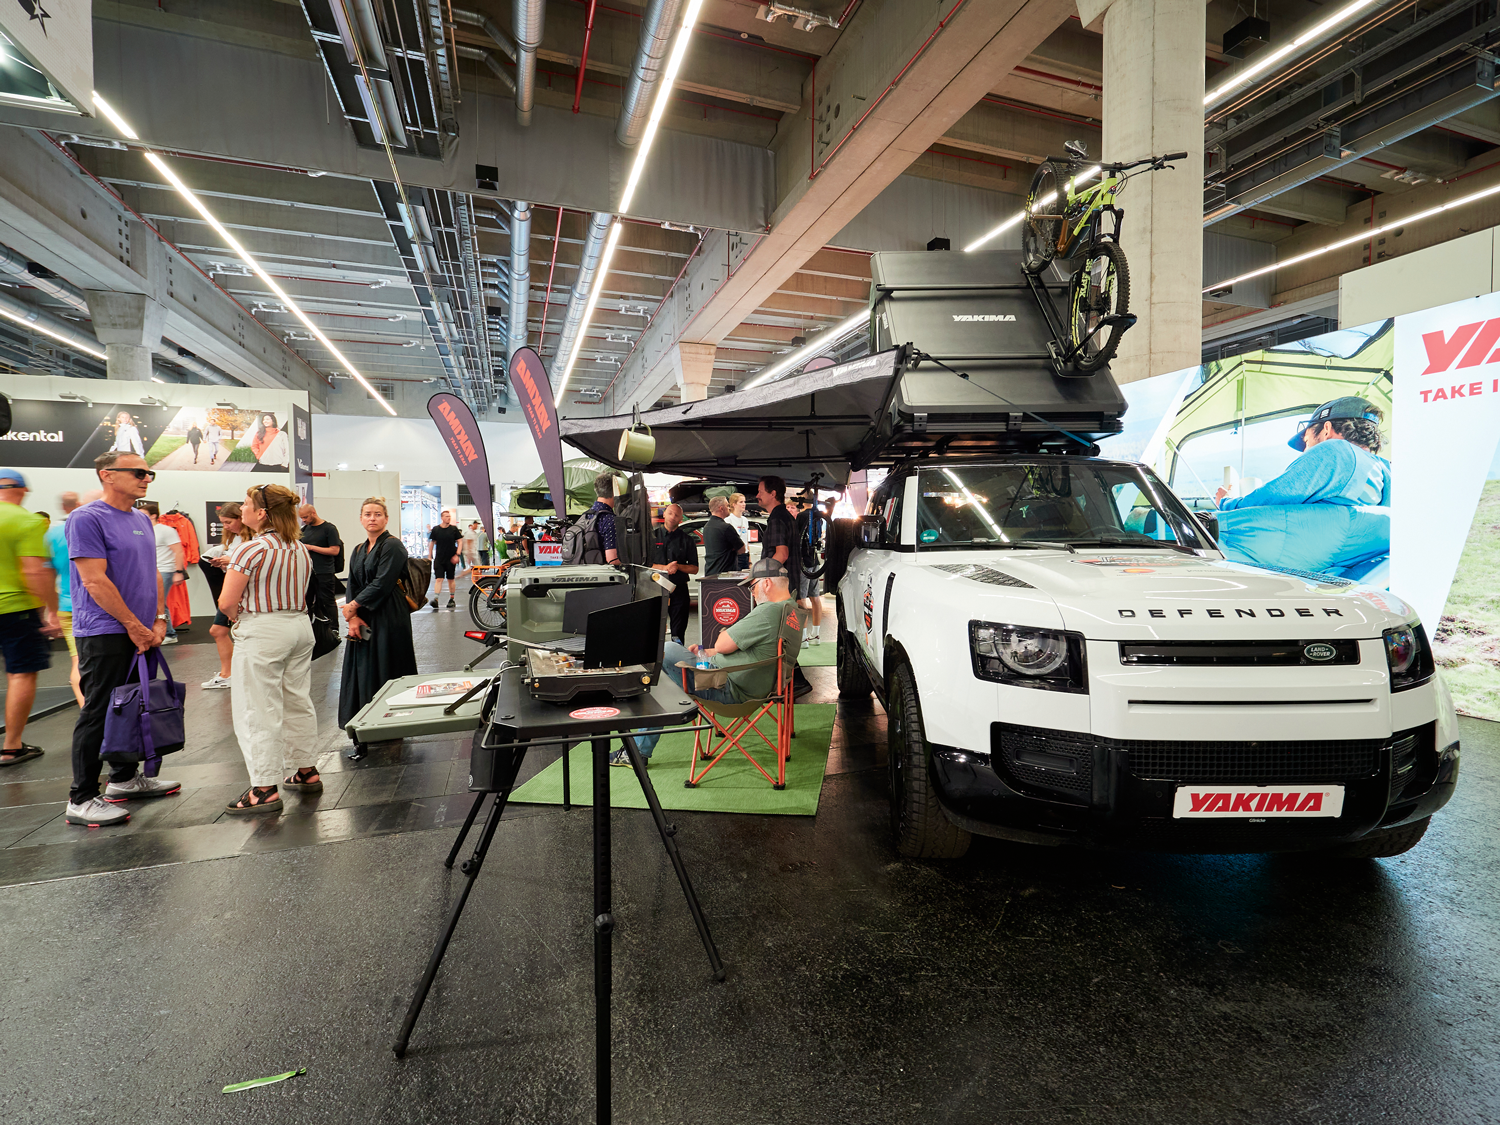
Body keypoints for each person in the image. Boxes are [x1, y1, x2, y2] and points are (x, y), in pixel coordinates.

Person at [63, 451, 179, 826]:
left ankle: (124, 779)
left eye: (149, 473)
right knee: (99, 710)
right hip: (105, 631)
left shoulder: (142, 519)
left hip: (141, 630)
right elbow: (94, 580)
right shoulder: (86, 518)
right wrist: (132, 624)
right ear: (107, 475)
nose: (146, 478)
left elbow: (156, 574)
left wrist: (158, 619)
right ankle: (81, 797)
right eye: (139, 472)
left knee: (130, 705)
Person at [621, 559, 801, 764]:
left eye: (752, 586)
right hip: (761, 686)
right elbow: (747, 648)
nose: (751, 592)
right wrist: (708, 652)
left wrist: (719, 644)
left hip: (729, 688)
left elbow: (723, 643)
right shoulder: (791, 610)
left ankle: (637, 750)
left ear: (766, 583)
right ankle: (637, 749)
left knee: (665, 652)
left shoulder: (769, 611)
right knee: (667, 668)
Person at [216, 483, 318, 815]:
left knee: (256, 708)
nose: (241, 510)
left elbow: (227, 602)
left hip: (264, 630)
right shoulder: (299, 547)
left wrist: (238, 618)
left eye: (246, 505)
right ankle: (306, 770)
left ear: (261, 513)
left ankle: (263, 788)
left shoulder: (250, 549)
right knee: (296, 701)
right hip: (299, 626)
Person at [1214, 396, 1392, 581]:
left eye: (1307, 443)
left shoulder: (1336, 451)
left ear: (1327, 429)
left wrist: (1226, 502)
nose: (1306, 453)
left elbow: (1274, 495)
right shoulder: (1384, 471)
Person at [339, 497, 419, 757]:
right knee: (363, 668)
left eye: (377, 514)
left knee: (387, 665)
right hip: (363, 614)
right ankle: (365, 722)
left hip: (388, 614)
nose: (372, 518)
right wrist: (352, 616)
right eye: (367, 514)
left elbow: (384, 583)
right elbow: (352, 581)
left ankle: (390, 725)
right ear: (361, 519)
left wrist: (354, 605)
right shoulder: (359, 548)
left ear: (386, 519)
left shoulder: (393, 546)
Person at [0, 471, 62, 769]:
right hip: (15, 608)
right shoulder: (27, 521)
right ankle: (12, 746)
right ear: (22, 490)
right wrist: (51, 609)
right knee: (20, 674)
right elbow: (35, 571)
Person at [200, 503, 250, 690]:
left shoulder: (253, 540)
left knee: (220, 631)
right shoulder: (237, 539)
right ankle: (229, 674)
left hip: (240, 594)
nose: (226, 526)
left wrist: (231, 560)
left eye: (229, 522)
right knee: (219, 631)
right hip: (234, 591)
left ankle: (229, 674)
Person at [45, 491, 83, 709]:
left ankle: (87, 710)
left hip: (66, 605)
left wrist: (51, 612)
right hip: (93, 606)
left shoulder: (52, 534)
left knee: (77, 660)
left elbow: (47, 574)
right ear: (78, 505)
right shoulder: (93, 529)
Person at [652, 503, 698, 644]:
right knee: (654, 629)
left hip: (679, 590)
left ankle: (677, 660)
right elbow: (644, 564)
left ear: (680, 519)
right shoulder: (651, 538)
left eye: (677, 515)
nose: (673, 517)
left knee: (678, 631)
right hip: (655, 588)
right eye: (670, 513)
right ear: (664, 514)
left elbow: (694, 568)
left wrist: (678, 567)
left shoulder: (687, 540)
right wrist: (664, 567)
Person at [142, 502, 185, 645]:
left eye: (144, 514)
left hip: (165, 570)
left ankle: (170, 634)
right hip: (150, 571)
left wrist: (179, 572)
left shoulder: (165, 531)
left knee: (158, 602)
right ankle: (166, 632)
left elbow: (178, 551)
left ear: (153, 516)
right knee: (155, 601)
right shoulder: (142, 530)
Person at [298, 504, 343, 627]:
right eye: (302, 518)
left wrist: (311, 548)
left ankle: (334, 628)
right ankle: (308, 628)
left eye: (306, 517)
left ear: (313, 513)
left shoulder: (329, 529)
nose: (304, 520)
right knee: (307, 601)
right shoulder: (304, 530)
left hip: (325, 571)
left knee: (327, 601)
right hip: (309, 572)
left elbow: (334, 550)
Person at [757, 475, 799, 594]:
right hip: (789, 583)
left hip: (779, 586)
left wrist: (763, 576)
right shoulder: (786, 516)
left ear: (773, 494)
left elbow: (782, 554)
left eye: (760, 492)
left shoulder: (777, 518)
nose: (757, 496)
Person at [792, 493, 823, 645]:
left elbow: (795, 538)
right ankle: (816, 635)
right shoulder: (819, 516)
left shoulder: (801, 516)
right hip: (814, 560)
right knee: (815, 597)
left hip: (803, 561)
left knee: (801, 598)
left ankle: (803, 637)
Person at [581, 473, 620, 564]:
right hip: (603, 575)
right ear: (615, 490)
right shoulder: (610, 520)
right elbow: (612, 560)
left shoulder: (585, 515)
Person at [427, 509, 462, 609]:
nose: (448, 518)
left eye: (449, 516)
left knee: (451, 579)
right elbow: (432, 543)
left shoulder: (454, 529)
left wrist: (457, 555)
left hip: (451, 558)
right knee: (439, 579)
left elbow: (460, 542)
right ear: (442, 518)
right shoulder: (436, 529)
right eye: (446, 516)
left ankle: (451, 599)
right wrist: (429, 556)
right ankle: (436, 599)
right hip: (439, 558)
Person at [702, 496, 744, 577]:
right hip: (725, 574)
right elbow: (742, 549)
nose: (729, 508)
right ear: (721, 508)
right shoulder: (726, 527)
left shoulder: (706, 527)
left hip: (710, 572)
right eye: (727, 505)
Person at [727, 492, 751, 571]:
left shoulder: (745, 520)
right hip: (735, 555)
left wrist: (749, 561)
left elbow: (746, 541)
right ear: (734, 504)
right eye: (741, 502)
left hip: (745, 555)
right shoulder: (728, 520)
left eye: (744, 502)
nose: (744, 504)